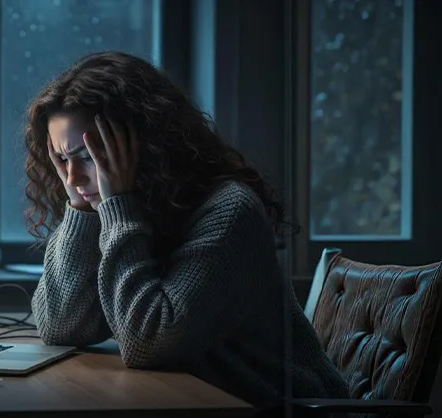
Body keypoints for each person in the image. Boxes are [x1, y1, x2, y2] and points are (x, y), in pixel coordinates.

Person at [22, 51, 349, 408]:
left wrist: (116, 207)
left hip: (279, 406)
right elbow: (60, 326)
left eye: (88, 157)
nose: (72, 177)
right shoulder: (128, 207)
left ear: (145, 144)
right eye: (63, 160)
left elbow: (148, 342)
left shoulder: (229, 210)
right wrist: (81, 209)